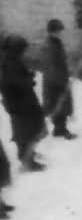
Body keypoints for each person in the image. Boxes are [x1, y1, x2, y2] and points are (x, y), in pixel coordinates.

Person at [0, 35, 47, 171]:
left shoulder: (12, 61)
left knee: (29, 130)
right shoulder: (9, 64)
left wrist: (28, 76)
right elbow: (16, 82)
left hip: (22, 102)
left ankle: (29, 154)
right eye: (22, 49)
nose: (24, 52)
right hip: (19, 104)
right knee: (24, 133)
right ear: (16, 49)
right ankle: (27, 161)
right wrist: (29, 79)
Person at [42, 19, 75, 139]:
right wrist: (59, 82)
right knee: (58, 104)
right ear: (51, 32)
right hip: (55, 81)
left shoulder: (56, 43)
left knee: (61, 104)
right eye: (57, 31)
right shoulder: (50, 46)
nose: (60, 33)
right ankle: (60, 129)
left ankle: (60, 129)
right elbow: (51, 66)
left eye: (60, 31)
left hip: (59, 79)